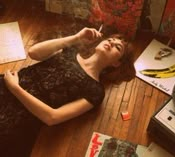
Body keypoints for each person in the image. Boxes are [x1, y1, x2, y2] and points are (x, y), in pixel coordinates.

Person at [0, 27, 136, 157]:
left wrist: (15, 88)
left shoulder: (95, 91)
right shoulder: (70, 51)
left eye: (118, 47)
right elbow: (34, 52)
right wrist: (76, 37)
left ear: (117, 63)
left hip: (17, 115)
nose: (111, 43)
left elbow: (52, 117)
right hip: (6, 85)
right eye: (110, 39)